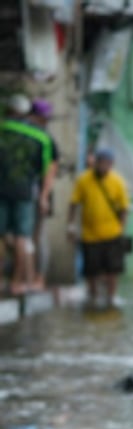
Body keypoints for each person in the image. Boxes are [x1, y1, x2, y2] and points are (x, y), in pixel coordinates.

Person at [67, 147, 130, 309]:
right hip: (90, 234)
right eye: (101, 162)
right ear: (95, 163)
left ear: (111, 164)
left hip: (112, 233)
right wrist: (71, 225)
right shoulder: (83, 180)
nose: (103, 166)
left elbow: (124, 208)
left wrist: (121, 229)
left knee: (112, 269)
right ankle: (93, 296)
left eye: (107, 163)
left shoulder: (117, 182)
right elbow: (73, 203)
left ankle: (111, 297)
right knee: (91, 270)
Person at [0, 93, 50, 295]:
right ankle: (16, 283)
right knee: (22, 237)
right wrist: (43, 196)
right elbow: (45, 169)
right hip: (25, 191)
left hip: (1, 190)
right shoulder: (40, 137)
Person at [27, 99, 58, 289]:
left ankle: (39, 277)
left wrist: (44, 196)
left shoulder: (46, 139)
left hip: (38, 194)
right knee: (23, 237)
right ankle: (28, 276)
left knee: (38, 236)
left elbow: (51, 169)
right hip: (23, 192)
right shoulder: (28, 135)